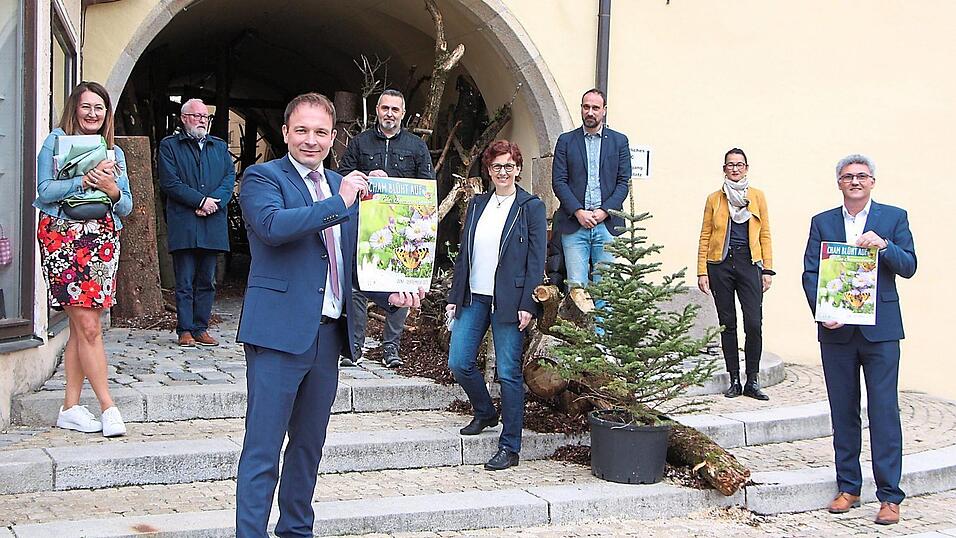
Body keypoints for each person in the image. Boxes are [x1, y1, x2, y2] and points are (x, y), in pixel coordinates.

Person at [234, 92, 424, 537]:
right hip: (277, 335)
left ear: (333, 137)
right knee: (263, 449)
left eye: (320, 132)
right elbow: (274, 228)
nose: (310, 140)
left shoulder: (344, 186)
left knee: (307, 447)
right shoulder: (263, 178)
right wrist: (340, 201)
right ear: (285, 133)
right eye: (301, 130)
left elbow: (354, 259)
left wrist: (389, 291)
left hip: (327, 338)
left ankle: (297, 530)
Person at [802, 154, 916, 526]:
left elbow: (910, 265)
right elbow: (811, 273)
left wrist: (884, 246)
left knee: (884, 411)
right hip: (838, 333)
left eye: (862, 176)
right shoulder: (823, 222)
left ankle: (889, 496)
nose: (855, 181)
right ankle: (849, 487)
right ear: (839, 182)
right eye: (848, 176)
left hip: (880, 332)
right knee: (843, 411)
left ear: (872, 182)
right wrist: (823, 312)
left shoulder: (893, 218)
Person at [34, 81, 133, 437]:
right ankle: (108, 406)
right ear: (74, 108)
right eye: (86, 106)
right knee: (89, 326)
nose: (93, 114)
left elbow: (127, 206)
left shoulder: (114, 152)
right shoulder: (54, 141)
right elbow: (44, 190)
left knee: (83, 325)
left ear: (107, 114)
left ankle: (71, 407)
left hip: (102, 240)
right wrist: (82, 181)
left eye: (100, 108)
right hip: (64, 238)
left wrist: (111, 189)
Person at [445, 140, 547, 471]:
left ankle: (510, 446)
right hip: (474, 295)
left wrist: (528, 303)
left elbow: (536, 258)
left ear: (518, 169)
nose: (502, 172)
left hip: (510, 299)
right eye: (496, 166)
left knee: (508, 373)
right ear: (488, 170)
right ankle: (486, 411)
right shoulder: (476, 204)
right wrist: (453, 297)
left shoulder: (529, 206)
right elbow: (465, 254)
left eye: (509, 166)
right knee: (459, 361)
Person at [338, 89, 434, 368]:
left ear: (403, 113)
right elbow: (343, 175)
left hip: (402, 227)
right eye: (385, 108)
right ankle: (354, 347)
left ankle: (390, 348)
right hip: (364, 224)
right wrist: (368, 177)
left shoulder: (416, 146)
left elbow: (427, 186)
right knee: (357, 283)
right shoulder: (359, 143)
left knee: (400, 283)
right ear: (377, 110)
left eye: (395, 109)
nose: (389, 114)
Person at [697, 148, 774, 400]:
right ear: (724, 169)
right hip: (720, 264)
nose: (735, 169)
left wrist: (768, 269)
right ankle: (734, 379)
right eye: (730, 165)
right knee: (727, 323)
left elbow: (765, 234)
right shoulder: (714, 199)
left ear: (747, 168)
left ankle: (752, 379)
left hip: (749, 263)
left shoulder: (757, 197)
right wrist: (702, 271)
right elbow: (705, 235)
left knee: (753, 322)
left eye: (739, 164)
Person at [158, 98, 235, 348]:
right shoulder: (170, 146)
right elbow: (170, 183)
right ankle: (185, 330)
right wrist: (200, 201)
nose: (202, 120)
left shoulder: (219, 147)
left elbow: (228, 178)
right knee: (185, 281)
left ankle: (201, 327)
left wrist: (215, 203)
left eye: (205, 116)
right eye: (196, 116)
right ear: (183, 118)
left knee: (207, 281)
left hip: (212, 222)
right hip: (185, 223)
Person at [551, 88, 631, 291]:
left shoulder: (619, 141)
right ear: (581, 109)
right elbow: (559, 182)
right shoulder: (566, 141)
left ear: (604, 110)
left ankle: (602, 325)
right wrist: (578, 212)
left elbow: (623, 182)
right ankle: (580, 325)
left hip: (608, 225)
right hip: (574, 225)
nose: (590, 112)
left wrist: (604, 211)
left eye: (595, 108)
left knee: (606, 291)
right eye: (586, 107)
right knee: (577, 290)